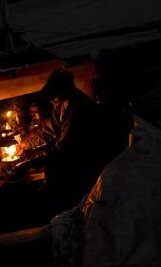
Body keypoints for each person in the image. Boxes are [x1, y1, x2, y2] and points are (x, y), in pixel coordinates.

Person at [19, 69, 127, 213]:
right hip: (70, 156)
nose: (53, 101)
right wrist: (27, 145)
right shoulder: (60, 104)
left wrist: (30, 162)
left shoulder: (79, 111)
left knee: (62, 193)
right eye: (52, 98)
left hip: (88, 162)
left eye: (55, 97)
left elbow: (62, 150)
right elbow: (50, 131)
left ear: (66, 91)